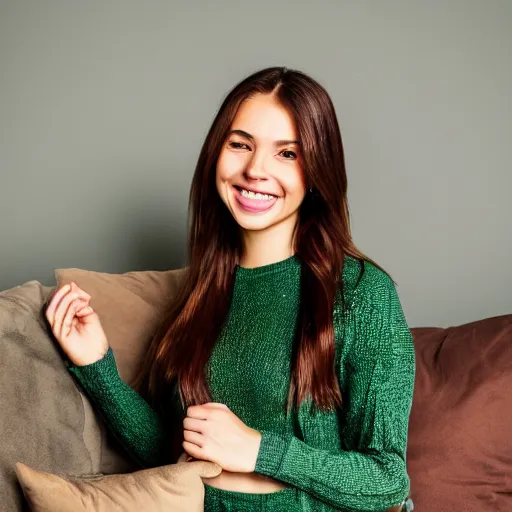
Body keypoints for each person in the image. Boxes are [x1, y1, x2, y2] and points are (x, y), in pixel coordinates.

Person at [45, 67, 415, 511]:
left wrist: (260, 450)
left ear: (317, 170)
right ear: (215, 154)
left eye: (287, 154)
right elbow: (172, 453)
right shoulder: (204, 290)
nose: (255, 170)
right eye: (240, 144)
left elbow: (388, 479)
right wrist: (95, 365)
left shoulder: (360, 292)